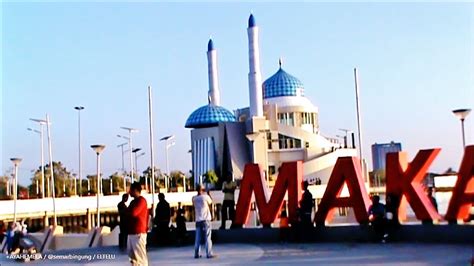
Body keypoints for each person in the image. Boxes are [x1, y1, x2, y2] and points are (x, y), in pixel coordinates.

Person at [127, 182, 149, 266]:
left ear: (135, 190)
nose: (129, 192)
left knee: (140, 258)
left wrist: (127, 212)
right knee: (132, 257)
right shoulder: (133, 202)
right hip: (131, 232)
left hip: (138, 233)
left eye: (131, 190)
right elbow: (125, 212)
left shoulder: (141, 201)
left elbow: (134, 213)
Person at [192, 185, 215, 259]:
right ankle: (209, 253)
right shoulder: (205, 197)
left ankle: (196, 253)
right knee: (207, 237)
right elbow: (211, 202)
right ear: (202, 190)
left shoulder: (194, 198)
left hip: (198, 220)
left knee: (197, 238)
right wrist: (208, 193)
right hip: (206, 220)